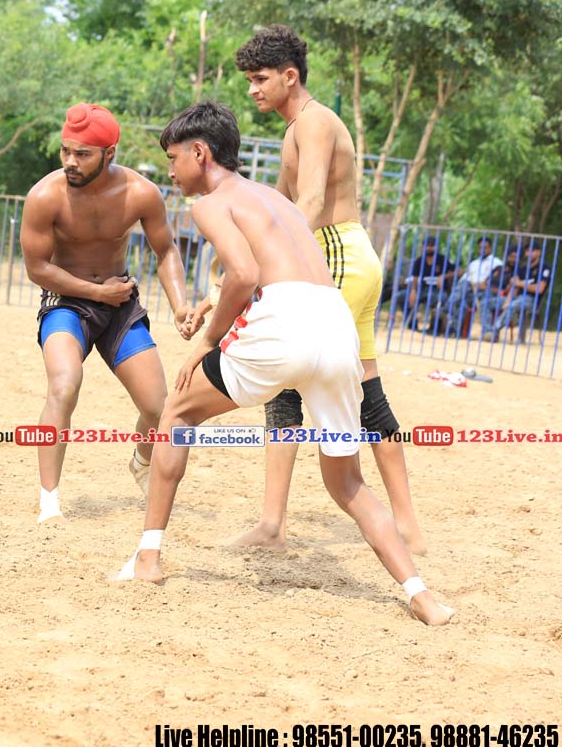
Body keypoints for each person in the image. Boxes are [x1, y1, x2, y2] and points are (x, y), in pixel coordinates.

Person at [119, 102, 453, 627]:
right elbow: (267, 269)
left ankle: (148, 560)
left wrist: (207, 341)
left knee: (176, 413)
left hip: (285, 323)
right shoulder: (276, 200)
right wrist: (215, 307)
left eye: (173, 158)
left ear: (200, 153)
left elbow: (244, 274)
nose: (170, 170)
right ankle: (422, 596)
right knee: (347, 484)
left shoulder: (210, 204)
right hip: (335, 324)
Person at [230, 25, 427, 554]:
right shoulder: (300, 126)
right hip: (350, 255)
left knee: (285, 380)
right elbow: (278, 207)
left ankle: (272, 525)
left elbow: (311, 201)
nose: (252, 89)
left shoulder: (314, 122)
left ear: (290, 76)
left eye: (260, 78)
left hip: (334, 253)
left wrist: (273, 258)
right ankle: (408, 527)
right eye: (249, 80)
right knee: (367, 390)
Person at [21, 103, 191, 523]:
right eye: (65, 151)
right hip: (66, 301)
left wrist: (180, 305)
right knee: (64, 385)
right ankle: (49, 503)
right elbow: (37, 269)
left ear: (109, 153)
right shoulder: (45, 196)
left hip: (119, 305)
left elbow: (166, 251)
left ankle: (141, 460)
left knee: (159, 408)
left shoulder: (140, 193)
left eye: (82, 154)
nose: (70, 161)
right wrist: (97, 291)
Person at [486, 243, 552, 342]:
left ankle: (494, 330)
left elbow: (539, 289)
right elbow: (515, 288)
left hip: (532, 300)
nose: (529, 254)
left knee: (514, 304)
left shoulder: (544, 267)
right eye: (527, 251)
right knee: (487, 302)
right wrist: (507, 301)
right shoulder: (522, 268)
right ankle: (486, 332)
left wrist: (520, 283)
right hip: (517, 298)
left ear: (538, 252)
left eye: (532, 251)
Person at [391, 237, 457, 332]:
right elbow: (415, 278)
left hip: (438, 291)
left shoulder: (442, 259)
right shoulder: (419, 261)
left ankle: (434, 327)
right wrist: (413, 291)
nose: (429, 248)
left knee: (438, 299)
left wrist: (444, 276)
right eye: (427, 245)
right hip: (421, 289)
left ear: (436, 247)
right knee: (401, 296)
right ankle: (412, 324)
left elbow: (459, 271)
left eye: (432, 245)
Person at [444, 237, 502, 337]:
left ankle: (447, 307)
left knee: (465, 290)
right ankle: (454, 330)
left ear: (490, 248)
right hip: (470, 293)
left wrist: (477, 285)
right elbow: (464, 280)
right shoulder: (473, 264)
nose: (483, 250)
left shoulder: (497, 263)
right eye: (480, 248)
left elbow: (494, 282)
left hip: (487, 293)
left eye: (485, 247)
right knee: (463, 302)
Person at [479, 245, 521, 340]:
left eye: (516, 257)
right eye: (512, 256)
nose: (514, 260)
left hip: (504, 298)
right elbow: (484, 283)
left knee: (484, 302)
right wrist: (489, 288)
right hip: (488, 293)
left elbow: (513, 289)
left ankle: (488, 333)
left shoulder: (517, 272)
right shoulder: (498, 268)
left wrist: (498, 292)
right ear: (507, 256)